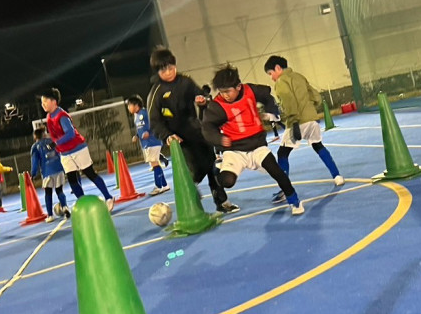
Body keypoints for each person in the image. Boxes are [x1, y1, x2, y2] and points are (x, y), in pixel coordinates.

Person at [201, 65, 304, 215]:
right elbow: (207, 127)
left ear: (238, 87)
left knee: (278, 172)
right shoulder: (217, 106)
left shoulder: (250, 90)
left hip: (257, 147)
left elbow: (267, 94)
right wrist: (219, 139)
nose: (225, 95)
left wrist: (271, 111)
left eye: (228, 91)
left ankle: (294, 201)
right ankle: (218, 168)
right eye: (221, 92)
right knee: (227, 181)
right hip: (235, 150)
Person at [147, 48, 238, 214]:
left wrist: (202, 101)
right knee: (190, 174)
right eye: (163, 70)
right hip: (178, 141)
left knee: (212, 168)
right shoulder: (156, 92)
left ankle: (222, 202)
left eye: (171, 68)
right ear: (157, 71)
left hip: (197, 133)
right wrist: (167, 136)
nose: (168, 72)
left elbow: (201, 96)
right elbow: (154, 121)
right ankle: (193, 209)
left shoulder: (186, 81)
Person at [264, 55, 344, 199]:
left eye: (270, 73)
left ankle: (285, 190)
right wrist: (310, 109)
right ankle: (337, 176)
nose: (271, 78)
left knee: (282, 154)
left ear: (278, 68)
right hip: (311, 119)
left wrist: (293, 121)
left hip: (297, 121)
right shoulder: (299, 76)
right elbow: (316, 96)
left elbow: (289, 102)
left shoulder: (281, 82)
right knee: (318, 146)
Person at [40, 88, 114, 211]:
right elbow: (55, 136)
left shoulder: (61, 115)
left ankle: (108, 197)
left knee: (90, 173)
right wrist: (57, 149)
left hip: (78, 149)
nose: (43, 105)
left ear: (54, 101)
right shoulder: (49, 117)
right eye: (42, 102)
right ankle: (83, 204)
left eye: (45, 101)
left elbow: (70, 134)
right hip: (65, 153)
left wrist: (56, 143)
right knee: (72, 179)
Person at [126, 95, 170, 196]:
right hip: (146, 143)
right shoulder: (136, 116)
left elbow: (155, 123)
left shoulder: (146, 113)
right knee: (155, 164)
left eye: (129, 105)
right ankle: (164, 185)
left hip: (153, 141)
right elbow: (141, 129)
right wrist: (137, 136)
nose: (128, 108)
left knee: (155, 164)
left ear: (136, 105)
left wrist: (148, 132)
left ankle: (158, 186)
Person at [31, 127, 68, 221]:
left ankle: (50, 215)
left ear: (35, 137)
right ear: (44, 134)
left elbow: (35, 162)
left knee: (48, 193)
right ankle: (65, 207)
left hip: (47, 172)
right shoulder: (53, 141)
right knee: (59, 191)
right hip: (58, 168)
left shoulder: (35, 147)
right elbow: (61, 152)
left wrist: (33, 174)